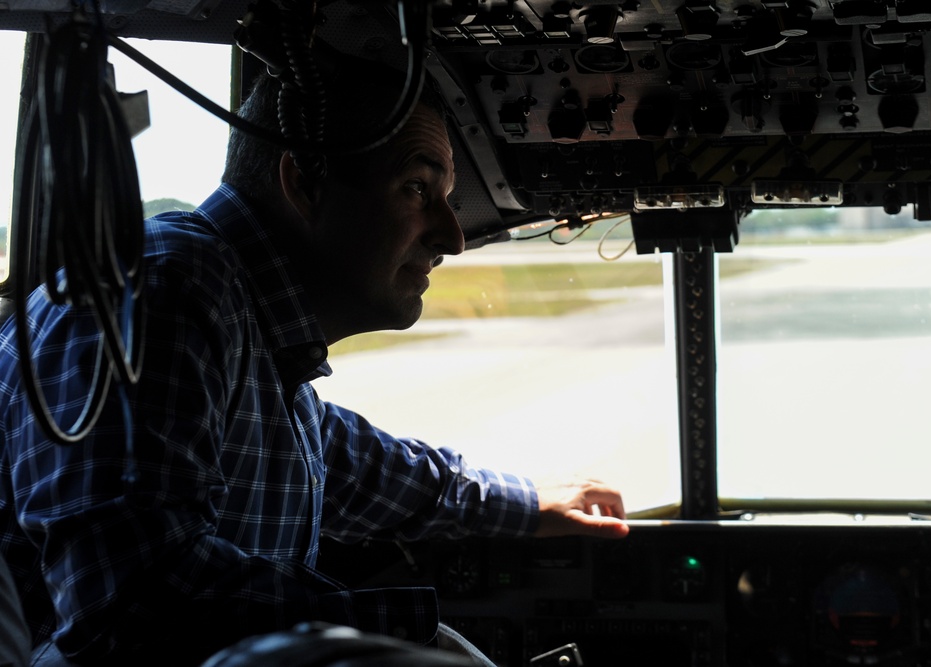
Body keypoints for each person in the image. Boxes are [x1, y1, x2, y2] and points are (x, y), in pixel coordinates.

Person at [0, 54, 629, 667]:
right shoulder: (165, 292)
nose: (452, 237)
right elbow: (132, 604)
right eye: (417, 188)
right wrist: (411, 641)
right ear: (303, 182)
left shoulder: (255, 338)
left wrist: (523, 503)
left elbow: (354, 467)